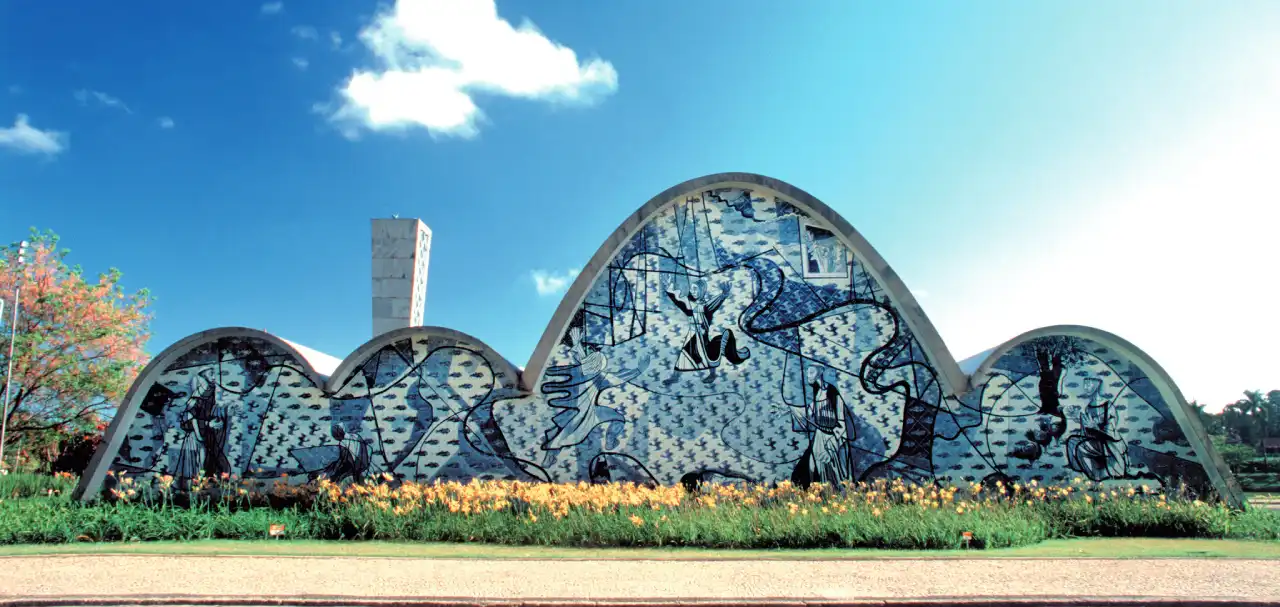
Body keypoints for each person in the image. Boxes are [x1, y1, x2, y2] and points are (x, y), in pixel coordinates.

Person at [665, 280, 749, 383]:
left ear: (702, 290)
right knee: (685, 354)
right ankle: (675, 377)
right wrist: (669, 289)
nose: (693, 291)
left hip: (701, 335)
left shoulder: (705, 307)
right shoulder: (690, 304)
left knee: (708, 354)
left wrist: (723, 295)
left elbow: (714, 303)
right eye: (692, 288)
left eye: (695, 289)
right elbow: (678, 301)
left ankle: (712, 375)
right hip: (692, 334)